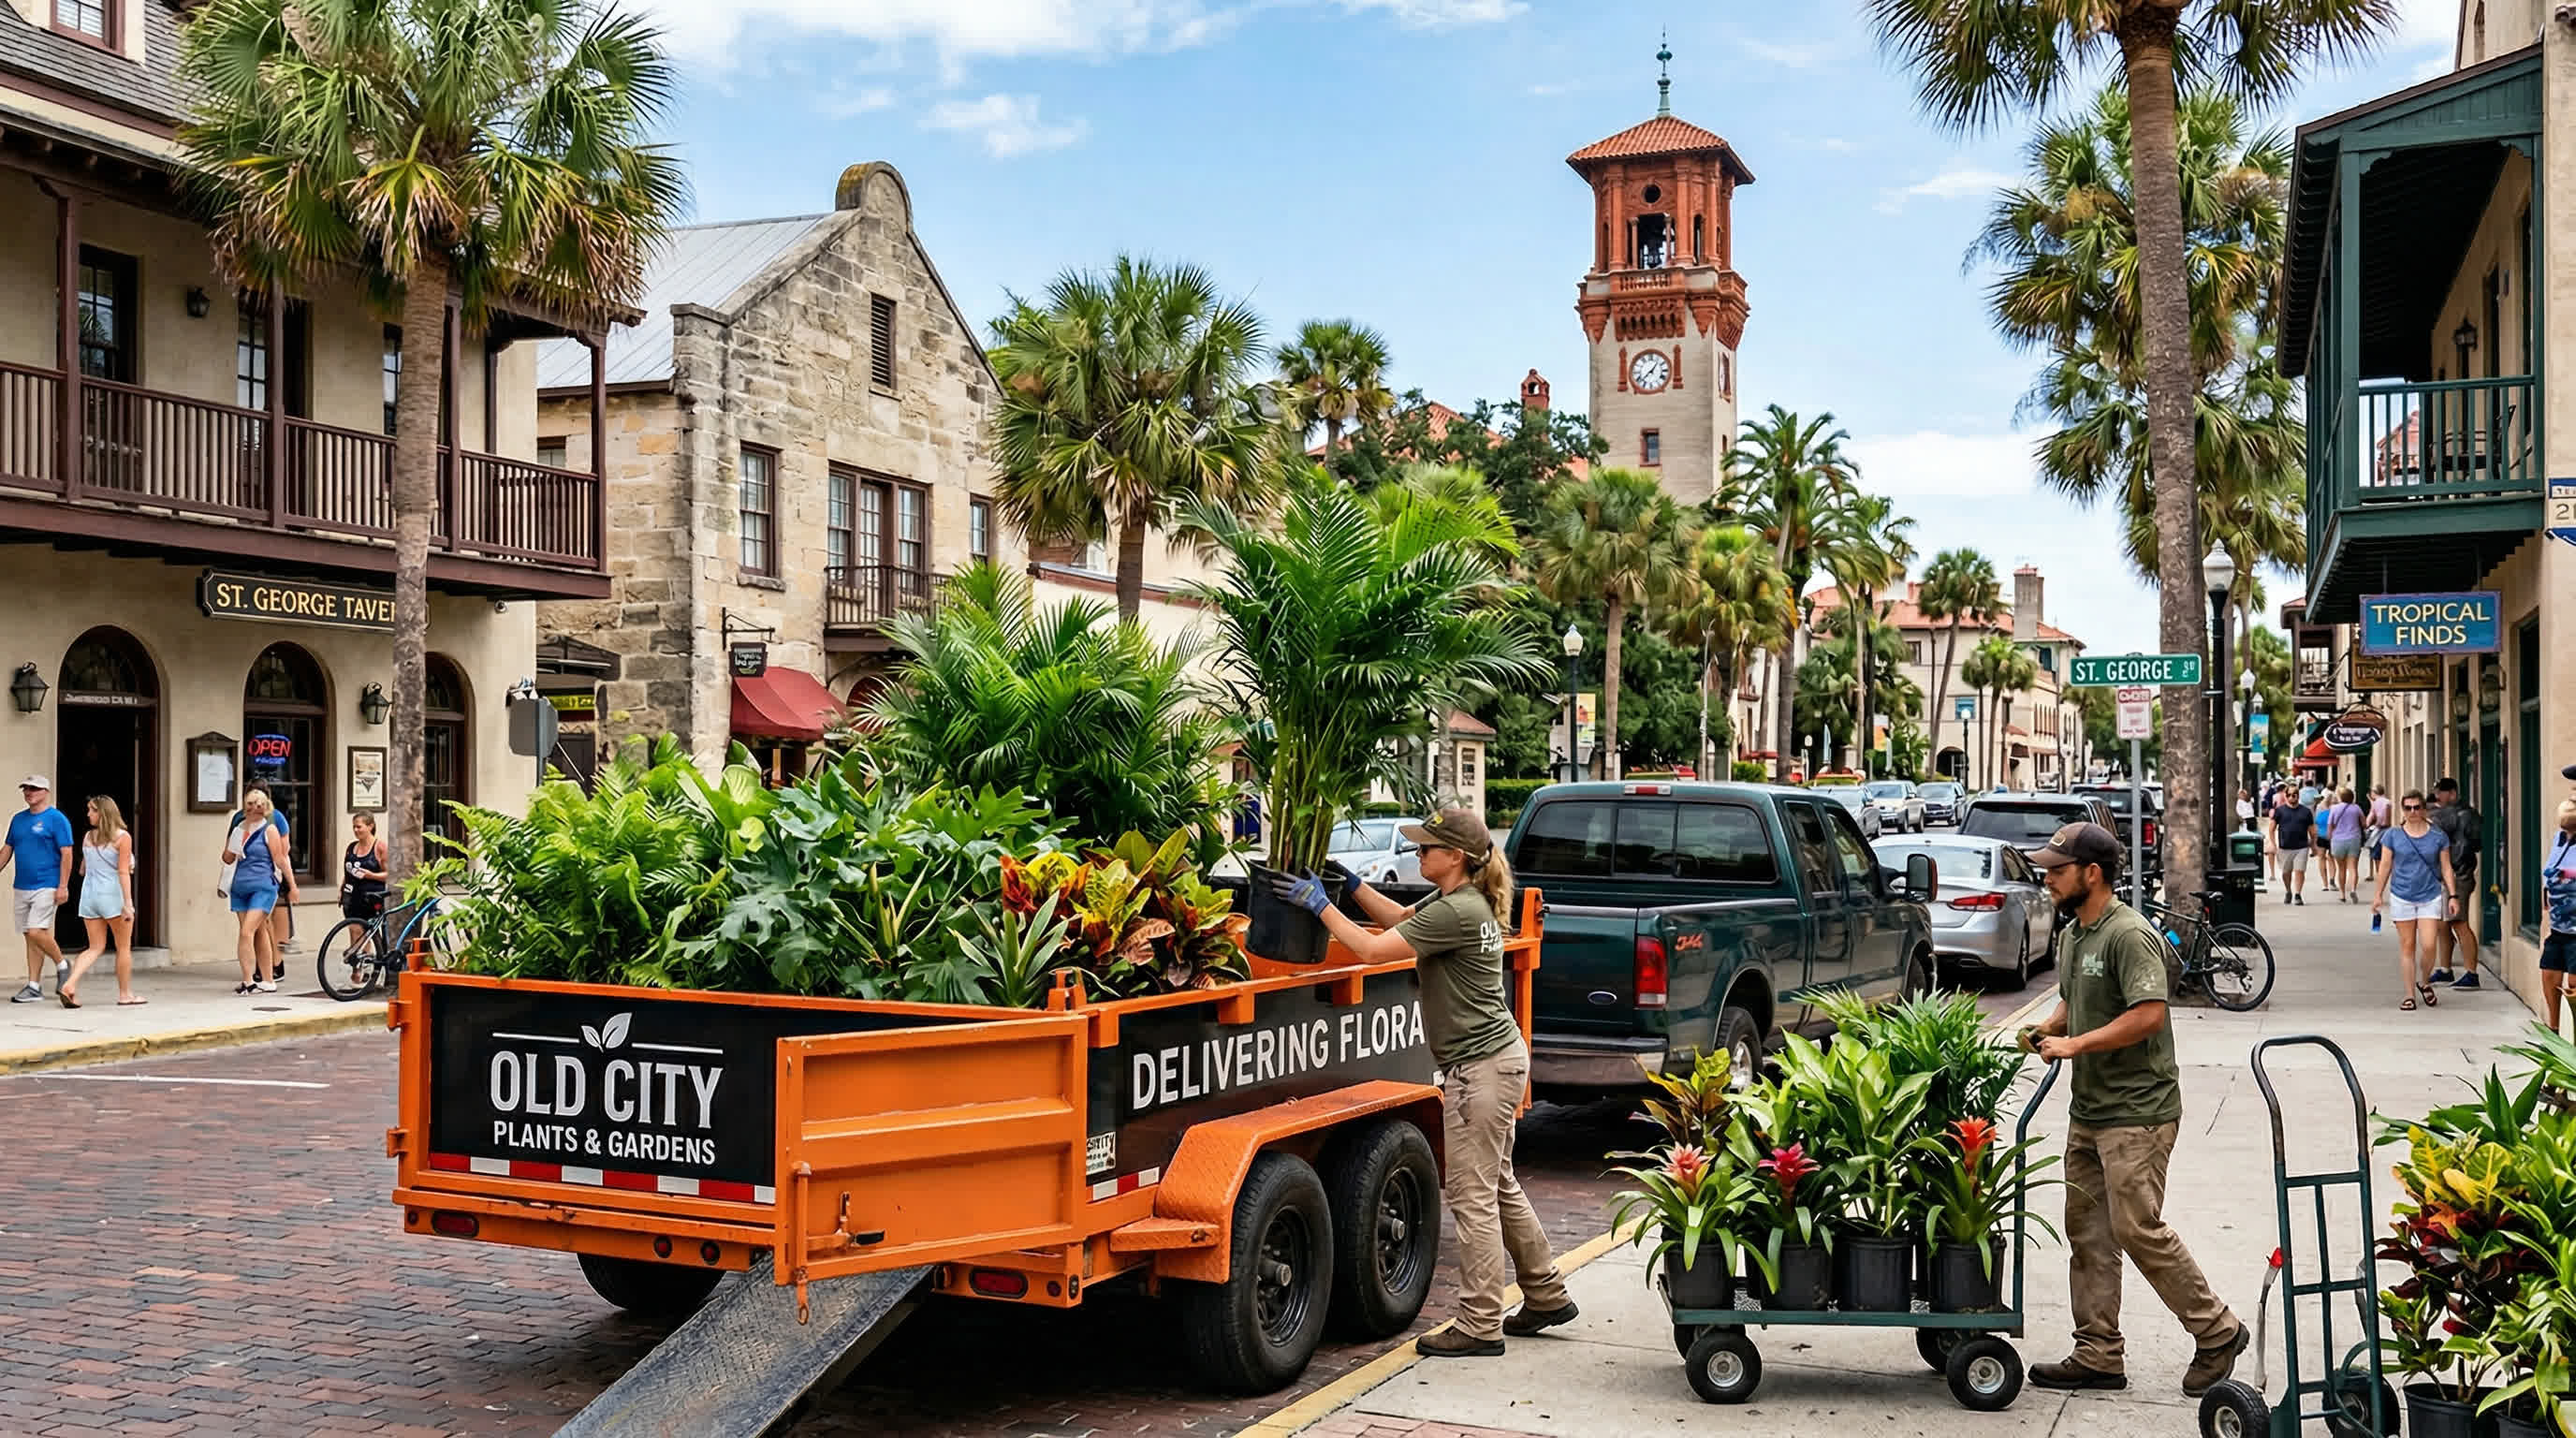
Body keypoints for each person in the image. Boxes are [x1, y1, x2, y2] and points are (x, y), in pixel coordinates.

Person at [1274, 810, 1575, 1357]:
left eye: (1426, 848)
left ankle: (1481, 1323)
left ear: (1455, 856)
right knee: (1497, 1183)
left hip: (1480, 1069)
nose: (1417, 855)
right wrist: (1352, 885)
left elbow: (1371, 951)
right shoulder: (1457, 902)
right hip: (1501, 1059)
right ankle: (1546, 1293)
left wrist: (1319, 906)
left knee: (1472, 1196)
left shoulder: (1457, 911)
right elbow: (1395, 919)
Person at [2019, 822, 2245, 1396]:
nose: (2048, 878)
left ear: (2091, 874)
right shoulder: (2075, 936)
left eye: (2057, 869)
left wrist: (2075, 1045)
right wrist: (2050, 1026)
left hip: (2139, 1111)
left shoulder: (2129, 934)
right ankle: (2098, 1352)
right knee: (2089, 1233)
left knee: (2135, 1227)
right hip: (2090, 1109)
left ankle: (2216, 1329)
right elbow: (2078, 998)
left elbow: (2148, 1014)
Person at [2373, 789, 2457, 1012]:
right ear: (2403, 810)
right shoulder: (2392, 835)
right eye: (2408, 808)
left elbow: (2446, 867)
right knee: (2407, 946)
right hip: (2402, 896)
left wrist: (2453, 894)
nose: (2413, 812)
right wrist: (2377, 895)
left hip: (2430, 895)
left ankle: (2425, 981)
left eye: (2417, 807)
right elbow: (2385, 865)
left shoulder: (2438, 836)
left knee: (2429, 945)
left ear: (2424, 809)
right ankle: (2410, 994)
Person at [59, 795, 139, 1007]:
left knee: (94, 947)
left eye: (92, 810)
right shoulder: (123, 838)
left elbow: (83, 869)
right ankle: (125, 994)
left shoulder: (88, 838)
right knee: (123, 947)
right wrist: (128, 903)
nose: (88, 814)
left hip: (90, 896)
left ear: (103, 813)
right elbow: (123, 872)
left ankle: (70, 984)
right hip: (112, 896)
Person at [4, 775, 75, 1004]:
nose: (29, 793)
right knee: (30, 936)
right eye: (26, 789)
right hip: (22, 884)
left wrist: (63, 885)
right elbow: (7, 849)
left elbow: (67, 853)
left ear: (46, 791)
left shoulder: (57, 819)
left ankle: (62, 964)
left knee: (36, 930)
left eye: (34, 789)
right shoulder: (18, 820)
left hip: (47, 883)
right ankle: (34, 986)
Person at [226, 791, 296, 994]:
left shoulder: (270, 829)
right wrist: (233, 845)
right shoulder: (238, 828)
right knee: (259, 931)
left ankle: (248, 981)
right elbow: (227, 858)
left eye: (259, 803)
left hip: (263, 886)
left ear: (266, 806)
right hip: (239, 887)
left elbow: (281, 859)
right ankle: (268, 979)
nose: (254, 807)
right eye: (250, 803)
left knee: (246, 931)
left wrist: (292, 885)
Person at [2428, 777, 2483, 990]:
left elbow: (2467, 846)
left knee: (2458, 922)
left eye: (2441, 793)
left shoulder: (2462, 815)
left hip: (2459, 874)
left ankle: (2472, 973)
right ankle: (2445, 969)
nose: (2437, 797)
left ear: (2452, 793)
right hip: (2448, 874)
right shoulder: (2451, 814)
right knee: (2443, 924)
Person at [2540, 800, 2576, 1034]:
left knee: (2573, 985)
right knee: (2549, 973)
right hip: (2558, 926)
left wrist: (2566, 873)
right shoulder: (2559, 838)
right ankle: (2554, 1029)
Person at [2270, 785, 2314, 905]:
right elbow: (2271, 828)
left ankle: (2298, 894)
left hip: (2302, 847)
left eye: (2294, 794)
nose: (2292, 797)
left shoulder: (2306, 811)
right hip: (2285, 847)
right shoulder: (2280, 811)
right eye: (2289, 794)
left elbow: (2312, 830)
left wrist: (2313, 845)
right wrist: (2273, 844)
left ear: (2298, 796)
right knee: (2286, 873)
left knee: (2299, 871)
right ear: (2286, 796)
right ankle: (2288, 890)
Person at [2325, 788, 2365, 902]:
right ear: (2352, 797)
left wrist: (2329, 837)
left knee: (2341, 868)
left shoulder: (2334, 808)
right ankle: (2352, 889)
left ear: (2341, 798)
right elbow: (2364, 823)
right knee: (2353, 867)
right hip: (2354, 839)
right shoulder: (2356, 808)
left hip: (2338, 841)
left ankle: (2342, 894)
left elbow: (2330, 825)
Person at [2364, 785, 2392, 885]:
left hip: (2379, 829)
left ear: (2375, 792)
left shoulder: (2376, 803)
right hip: (2387, 829)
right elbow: (2388, 818)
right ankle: (2384, 874)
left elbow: (2371, 816)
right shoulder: (2388, 802)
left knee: (2376, 855)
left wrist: (2367, 825)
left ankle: (2379, 875)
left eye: (2372, 792)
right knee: (2386, 854)